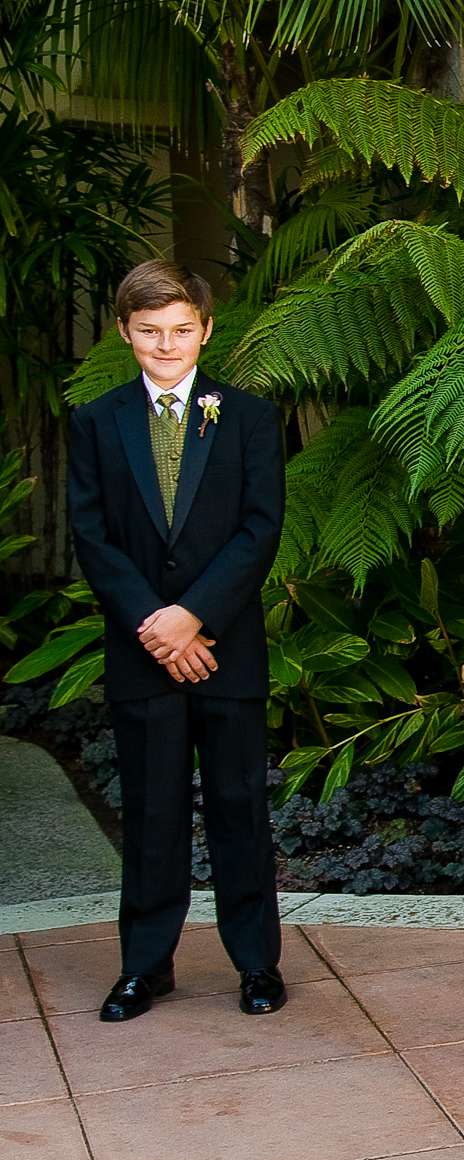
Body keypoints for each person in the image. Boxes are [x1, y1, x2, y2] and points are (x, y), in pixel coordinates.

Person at [67, 260, 287, 1022]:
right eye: (150, 330)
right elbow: (93, 537)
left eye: (181, 329)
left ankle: (256, 962)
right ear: (125, 331)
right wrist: (156, 625)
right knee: (152, 810)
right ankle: (144, 965)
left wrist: (194, 616)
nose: (167, 343)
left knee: (236, 805)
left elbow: (260, 529)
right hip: (142, 650)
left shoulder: (251, 417)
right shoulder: (98, 422)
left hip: (225, 647)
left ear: (205, 329)